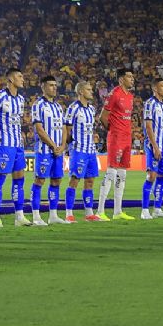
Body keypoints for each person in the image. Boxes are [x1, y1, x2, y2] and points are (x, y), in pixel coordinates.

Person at [0, 68, 30, 228]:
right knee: (0, 179)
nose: (22, 79)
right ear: (10, 79)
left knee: (19, 179)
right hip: (4, 145)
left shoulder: (20, 99)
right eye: (20, 76)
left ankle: (19, 216)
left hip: (18, 145)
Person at [97, 68, 136, 221]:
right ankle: (100, 211)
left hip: (127, 137)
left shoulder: (130, 96)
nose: (132, 79)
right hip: (116, 137)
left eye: (132, 76)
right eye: (129, 76)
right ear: (121, 79)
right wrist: (113, 131)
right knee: (111, 171)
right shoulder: (114, 94)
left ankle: (117, 211)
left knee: (122, 173)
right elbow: (103, 117)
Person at [30, 75, 68, 226]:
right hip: (44, 150)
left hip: (58, 151)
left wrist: (63, 145)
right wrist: (53, 146)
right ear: (43, 87)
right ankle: (36, 216)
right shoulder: (38, 105)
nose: (54, 87)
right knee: (39, 180)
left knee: (56, 180)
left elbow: (64, 128)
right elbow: (39, 129)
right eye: (51, 85)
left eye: (55, 85)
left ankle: (53, 215)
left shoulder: (59, 107)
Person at [62, 80, 101, 222]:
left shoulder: (91, 109)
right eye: (89, 89)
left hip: (91, 150)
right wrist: (69, 143)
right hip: (78, 150)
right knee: (74, 180)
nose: (91, 91)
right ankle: (69, 214)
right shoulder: (73, 108)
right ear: (81, 92)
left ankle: (89, 213)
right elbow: (66, 128)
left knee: (90, 180)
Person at [141, 79, 163, 219]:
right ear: (155, 88)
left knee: (162, 177)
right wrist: (155, 147)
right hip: (153, 146)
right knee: (151, 176)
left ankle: (157, 209)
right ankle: (144, 210)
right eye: (162, 86)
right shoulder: (150, 104)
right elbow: (148, 127)